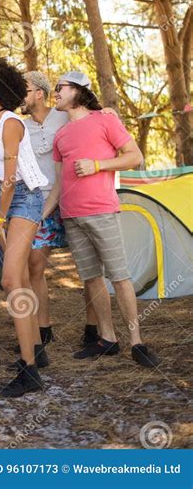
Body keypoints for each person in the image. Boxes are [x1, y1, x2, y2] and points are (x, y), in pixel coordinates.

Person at [42, 71, 159, 367]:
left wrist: (98, 165)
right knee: (92, 279)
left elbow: (135, 156)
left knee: (120, 277)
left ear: (79, 91)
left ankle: (137, 342)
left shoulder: (105, 120)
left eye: (60, 87)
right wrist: (40, 216)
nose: (55, 92)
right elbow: (58, 183)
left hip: (102, 211)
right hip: (72, 216)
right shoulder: (61, 136)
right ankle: (108, 340)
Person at [0, 58, 48, 397]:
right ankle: (34, 351)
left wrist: (0, 218)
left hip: (23, 199)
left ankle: (30, 371)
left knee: (8, 280)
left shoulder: (10, 122)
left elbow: (9, 180)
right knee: (18, 280)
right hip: (7, 202)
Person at [21, 72, 99, 351]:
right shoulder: (20, 126)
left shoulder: (64, 115)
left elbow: (94, 118)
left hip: (74, 199)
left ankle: (93, 328)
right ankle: (43, 330)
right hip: (40, 204)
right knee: (34, 267)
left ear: (39, 93)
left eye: (25, 90)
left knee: (87, 268)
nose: (21, 96)